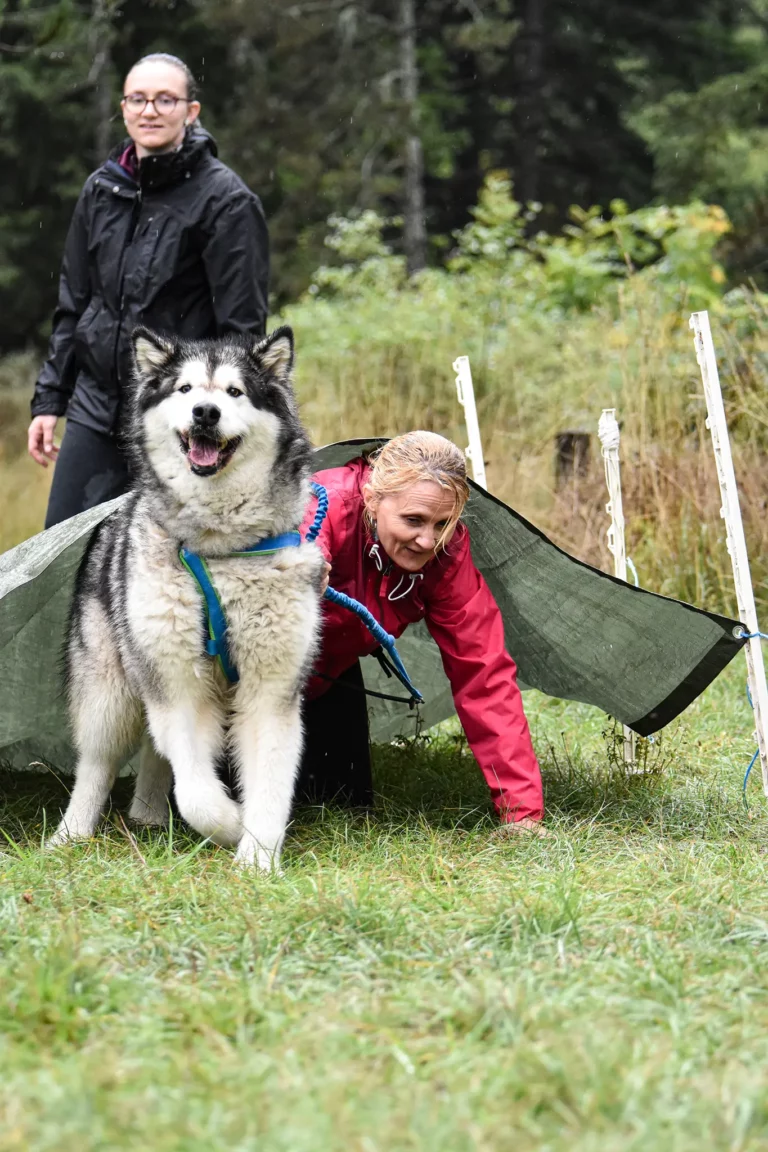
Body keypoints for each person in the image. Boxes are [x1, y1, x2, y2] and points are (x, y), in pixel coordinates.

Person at [28, 52, 269, 528]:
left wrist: (218, 419)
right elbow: (74, 305)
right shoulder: (102, 188)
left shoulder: (227, 201)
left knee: (166, 559)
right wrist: (50, 400)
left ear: (191, 111)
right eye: (137, 99)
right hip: (95, 411)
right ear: (123, 108)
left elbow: (242, 331)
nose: (150, 111)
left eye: (165, 99)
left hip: (180, 420)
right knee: (62, 553)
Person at [296, 431, 544, 833]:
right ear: (373, 499)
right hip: (245, 680)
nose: (427, 540)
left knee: (344, 808)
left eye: (442, 523)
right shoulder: (328, 499)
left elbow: (484, 675)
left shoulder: (447, 553)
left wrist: (522, 814)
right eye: (413, 520)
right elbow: (302, 537)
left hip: (329, 680)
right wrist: (308, 563)